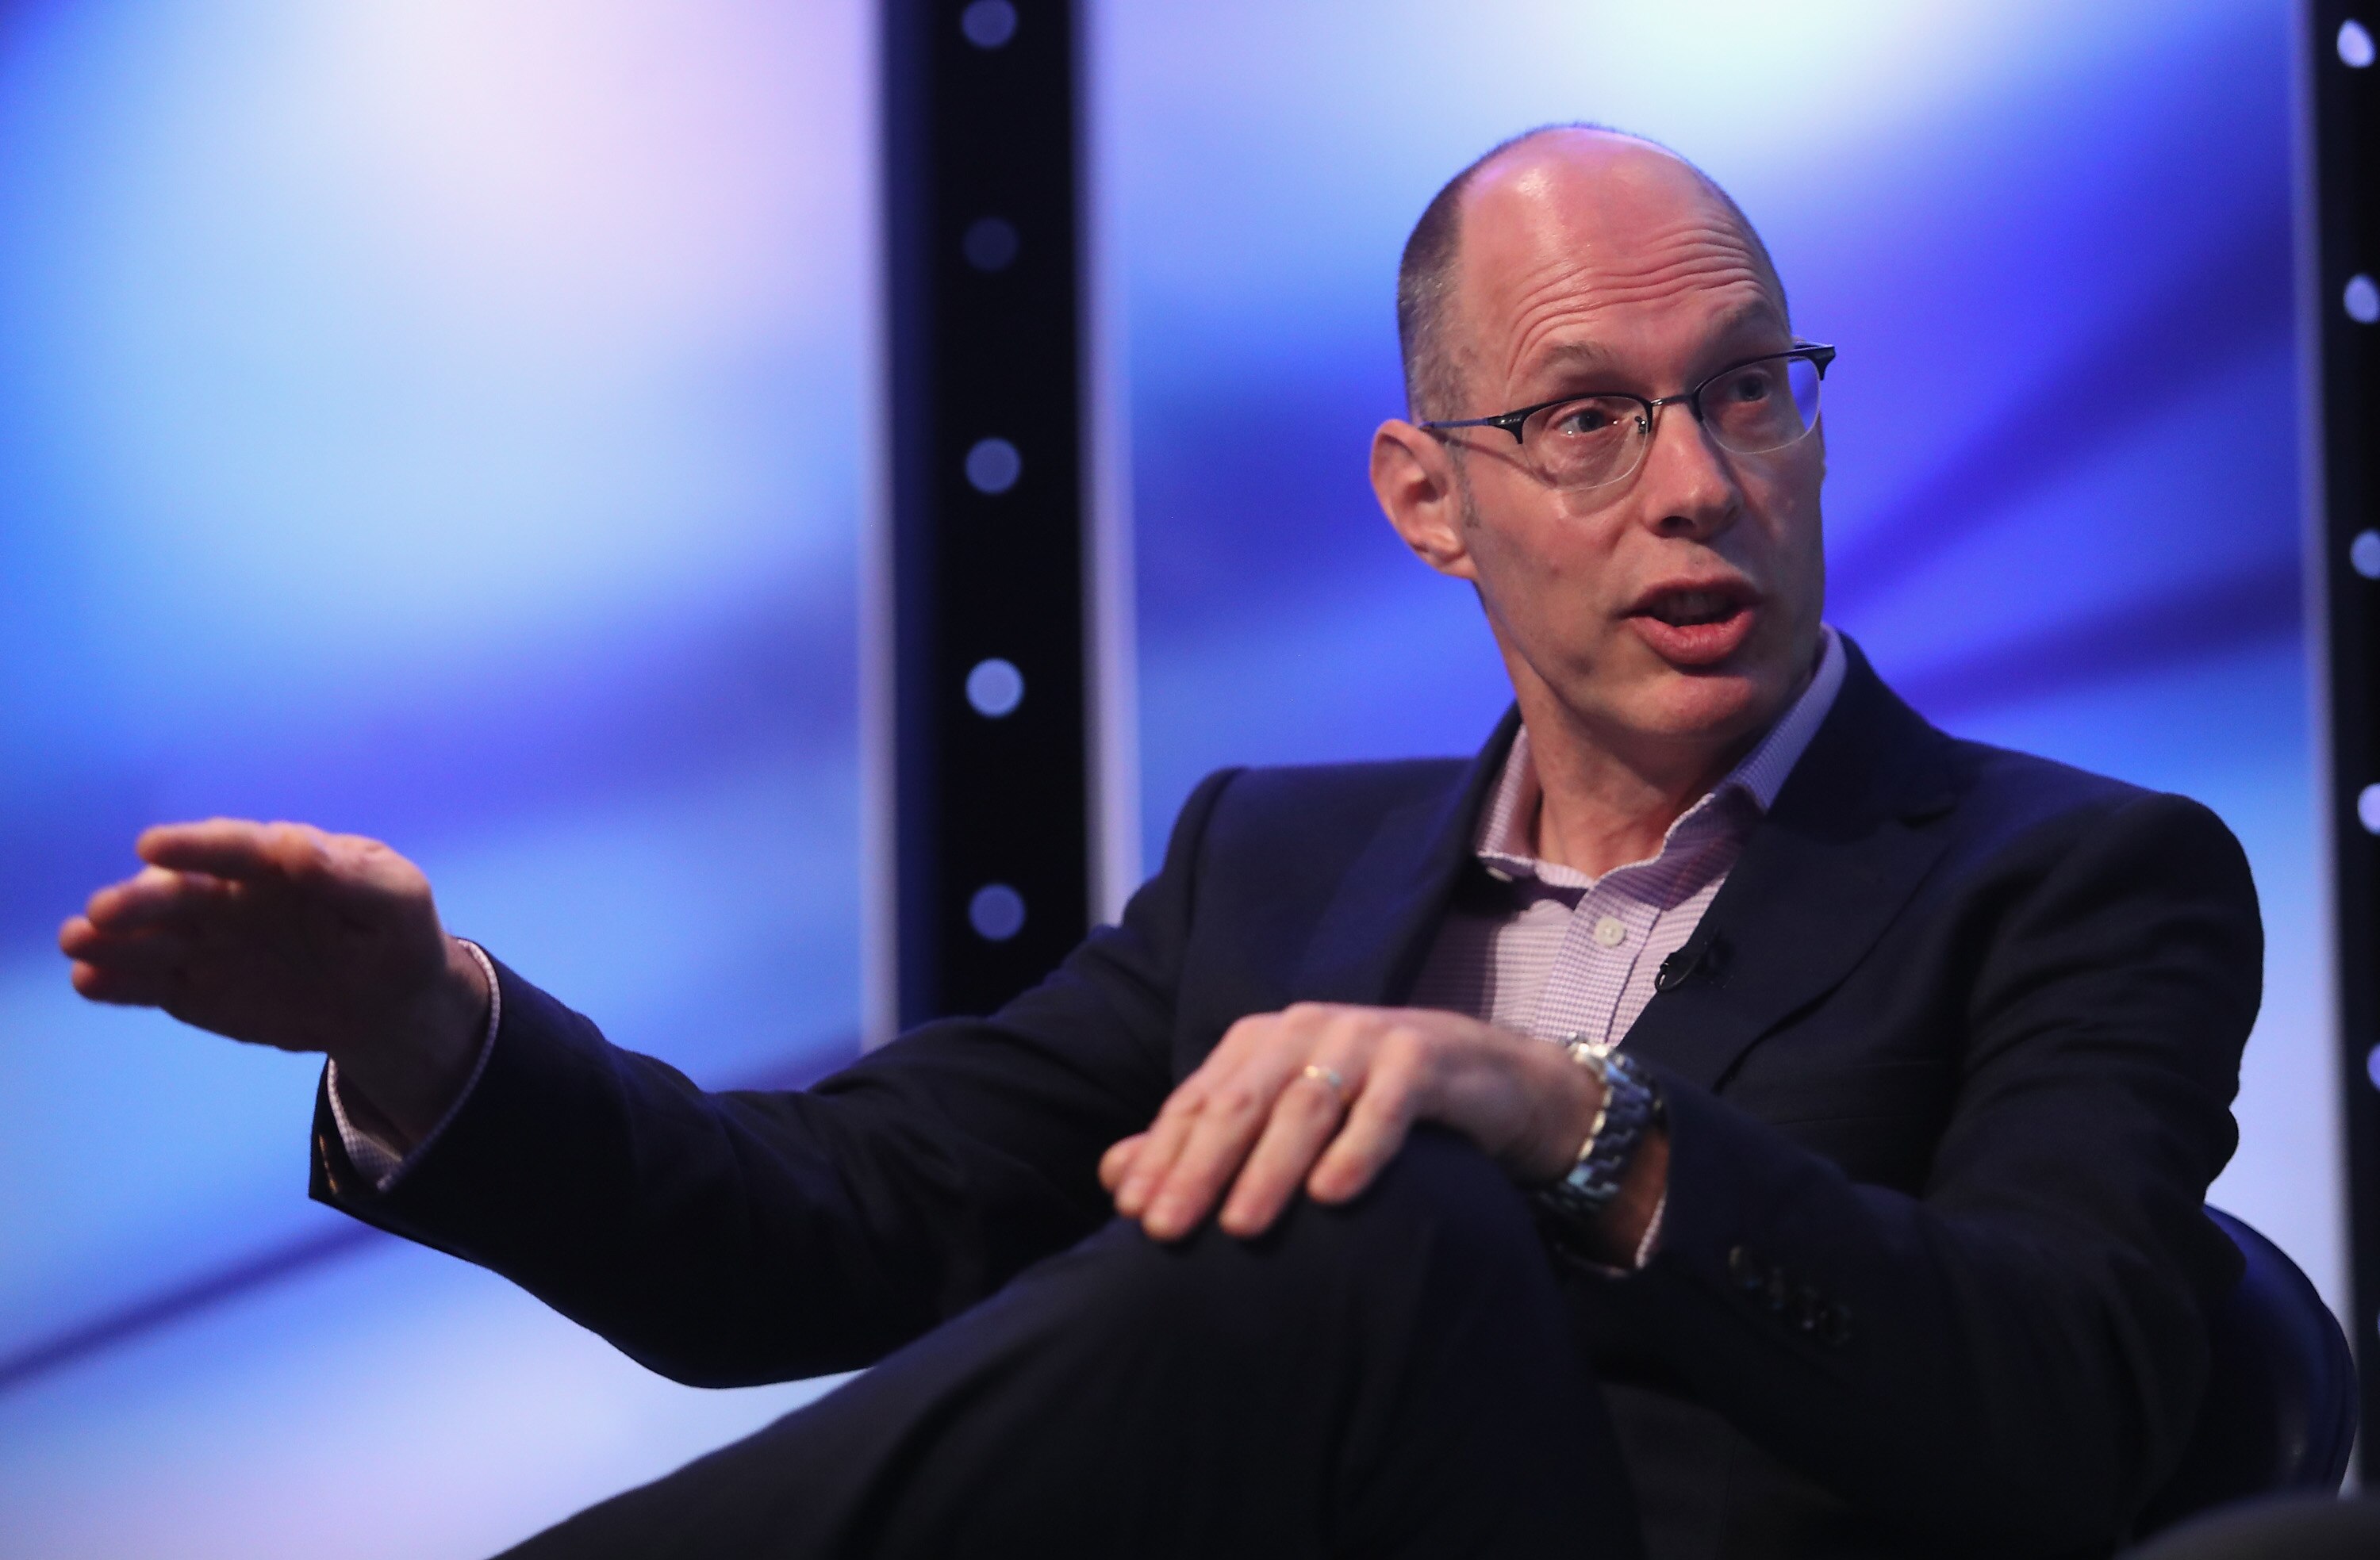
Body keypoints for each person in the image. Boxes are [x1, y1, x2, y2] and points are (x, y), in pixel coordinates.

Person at [59, 126, 2260, 1559]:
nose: (1696, 482)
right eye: (1589, 418)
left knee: (1376, 1206)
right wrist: (423, 1031)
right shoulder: (1272, 870)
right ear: (1431, 500)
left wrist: (1562, 1121)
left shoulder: (2074, 875)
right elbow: (831, 1230)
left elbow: (2076, 1407)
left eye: (1750, 388)